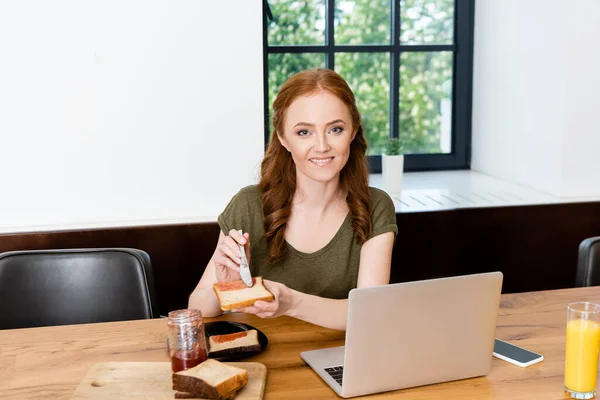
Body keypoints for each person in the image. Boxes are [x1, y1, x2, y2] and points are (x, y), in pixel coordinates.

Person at [188, 68, 397, 331]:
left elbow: (371, 313)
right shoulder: (248, 204)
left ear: (353, 131)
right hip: (265, 357)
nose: (322, 146)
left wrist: (291, 303)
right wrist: (226, 286)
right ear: (283, 137)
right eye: (304, 132)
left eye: (335, 129)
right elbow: (197, 308)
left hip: (341, 360)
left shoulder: (376, 206)